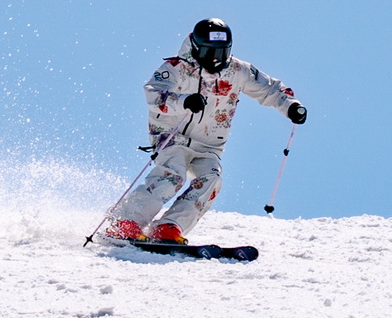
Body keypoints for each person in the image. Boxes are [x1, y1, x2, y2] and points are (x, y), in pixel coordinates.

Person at [106, 18, 307, 243]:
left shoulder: (237, 70)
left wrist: (291, 106)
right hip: (172, 134)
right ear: (195, 47)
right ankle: (126, 221)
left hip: (209, 143)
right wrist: (184, 101)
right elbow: (154, 93)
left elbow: (270, 89)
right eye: (208, 52)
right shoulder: (177, 68)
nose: (214, 59)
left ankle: (169, 226)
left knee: (211, 180)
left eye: (221, 53)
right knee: (172, 175)